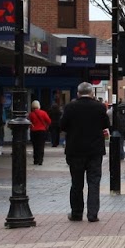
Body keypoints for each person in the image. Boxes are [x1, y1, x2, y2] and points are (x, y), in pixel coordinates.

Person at [57, 81, 109, 222]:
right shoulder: (99, 107)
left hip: (75, 150)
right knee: (94, 182)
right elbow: (106, 124)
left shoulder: (70, 107)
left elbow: (62, 126)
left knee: (76, 183)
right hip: (94, 150)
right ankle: (92, 214)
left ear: (78, 93)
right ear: (92, 93)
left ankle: (77, 213)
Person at [28, 99, 52, 165]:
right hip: (42, 131)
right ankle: (40, 160)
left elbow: (29, 123)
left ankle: (35, 160)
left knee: (35, 146)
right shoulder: (43, 113)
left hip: (34, 131)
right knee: (41, 146)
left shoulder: (31, 114)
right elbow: (49, 121)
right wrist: (45, 126)